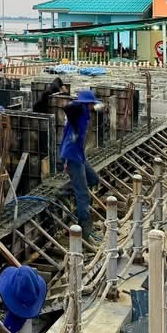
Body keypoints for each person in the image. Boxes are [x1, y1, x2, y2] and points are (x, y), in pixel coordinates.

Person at [59, 89, 104, 234]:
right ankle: (84, 228)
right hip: (72, 157)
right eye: (91, 104)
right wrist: (66, 161)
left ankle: (67, 190)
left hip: (79, 156)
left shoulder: (83, 113)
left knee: (93, 179)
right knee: (83, 194)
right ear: (86, 104)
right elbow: (70, 107)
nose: (92, 106)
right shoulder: (77, 114)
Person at [0, 265, 47, 333]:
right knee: (25, 327)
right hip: (27, 303)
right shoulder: (30, 285)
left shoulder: (22, 287)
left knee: (13, 327)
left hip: (19, 303)